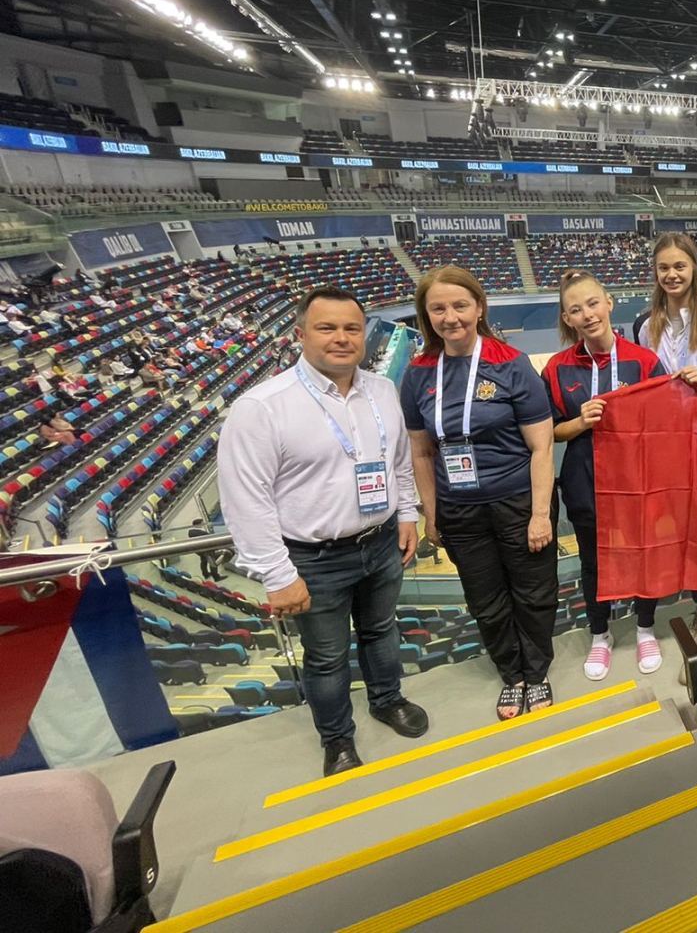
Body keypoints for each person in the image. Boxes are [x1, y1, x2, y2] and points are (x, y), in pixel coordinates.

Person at [218, 286, 426, 779]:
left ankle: (387, 700)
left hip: (379, 542)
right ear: (300, 335)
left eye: (351, 328)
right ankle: (337, 739)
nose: (341, 338)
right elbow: (246, 500)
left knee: (380, 633)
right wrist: (276, 573)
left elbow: (397, 462)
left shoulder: (381, 390)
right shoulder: (263, 407)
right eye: (326, 328)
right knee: (327, 657)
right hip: (312, 558)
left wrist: (408, 513)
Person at [400, 266, 558, 720]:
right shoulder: (417, 374)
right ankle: (513, 676)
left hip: (518, 501)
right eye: (438, 308)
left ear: (479, 308)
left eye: (460, 305)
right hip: (460, 509)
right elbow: (421, 452)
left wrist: (541, 514)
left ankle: (538, 672)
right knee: (485, 600)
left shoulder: (510, 364)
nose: (450, 317)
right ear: (426, 316)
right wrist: (432, 514)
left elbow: (541, 446)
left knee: (533, 592)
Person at [543, 269, 668, 681]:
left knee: (643, 554)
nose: (587, 314)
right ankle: (600, 634)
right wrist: (580, 422)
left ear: (609, 303)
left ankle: (645, 627)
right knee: (593, 563)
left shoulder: (644, 360)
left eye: (593, 303)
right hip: (585, 482)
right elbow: (551, 432)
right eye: (575, 309)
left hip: (638, 482)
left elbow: (666, 423)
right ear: (567, 319)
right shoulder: (558, 368)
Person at [631, 232, 697, 385]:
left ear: (694, 268)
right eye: (664, 268)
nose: (671, 274)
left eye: (679, 267)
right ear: (656, 272)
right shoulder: (642, 326)